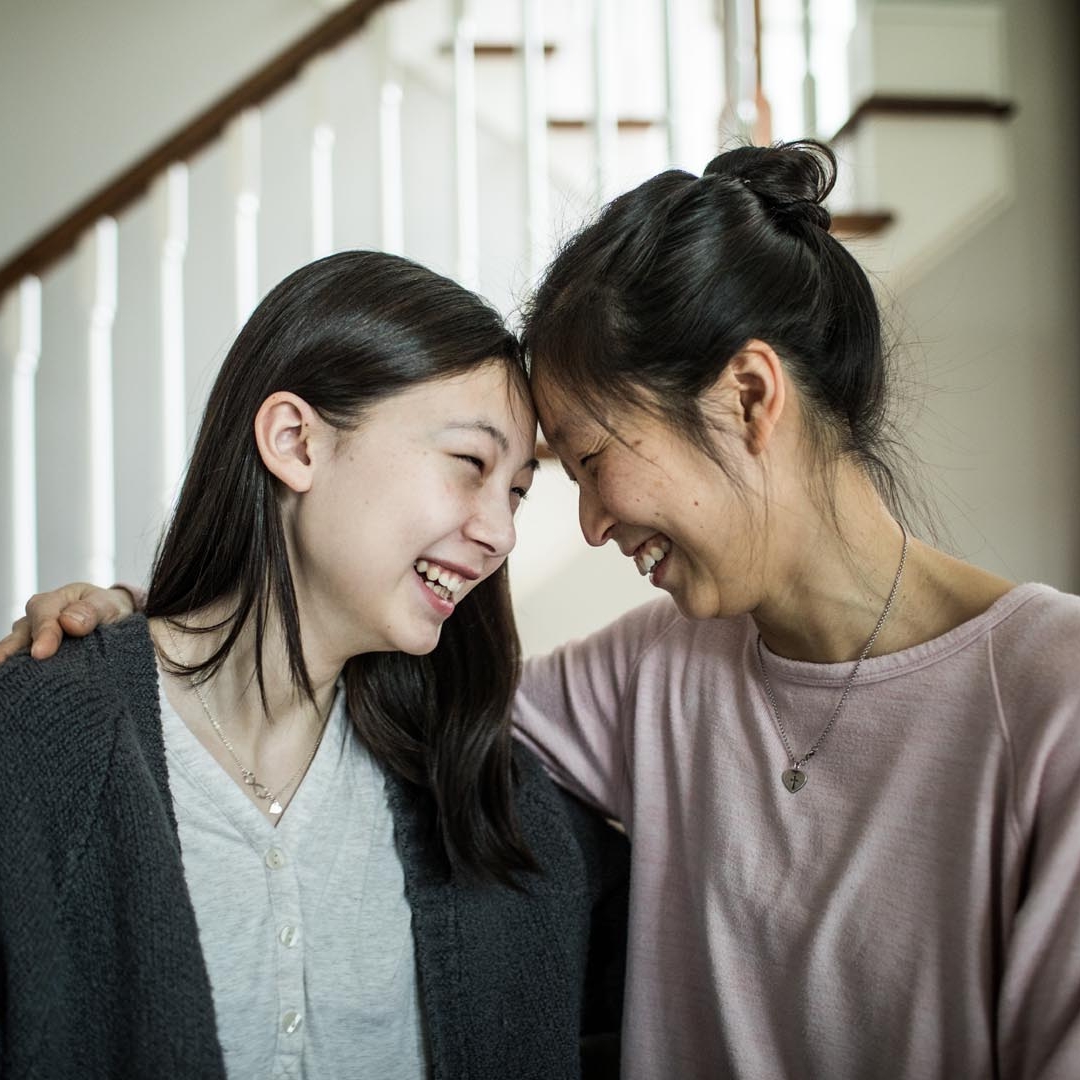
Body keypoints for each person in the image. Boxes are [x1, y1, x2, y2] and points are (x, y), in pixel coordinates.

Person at [7, 140, 1080, 1079]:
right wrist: (136, 631)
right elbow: (291, 668)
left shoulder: (1050, 700)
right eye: (527, 477)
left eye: (581, 465)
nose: (583, 526)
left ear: (750, 397)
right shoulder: (651, 672)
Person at [0, 250, 629, 1079]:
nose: (502, 533)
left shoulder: (486, 787)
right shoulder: (39, 743)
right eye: (469, 465)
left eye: (516, 491)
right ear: (296, 442)